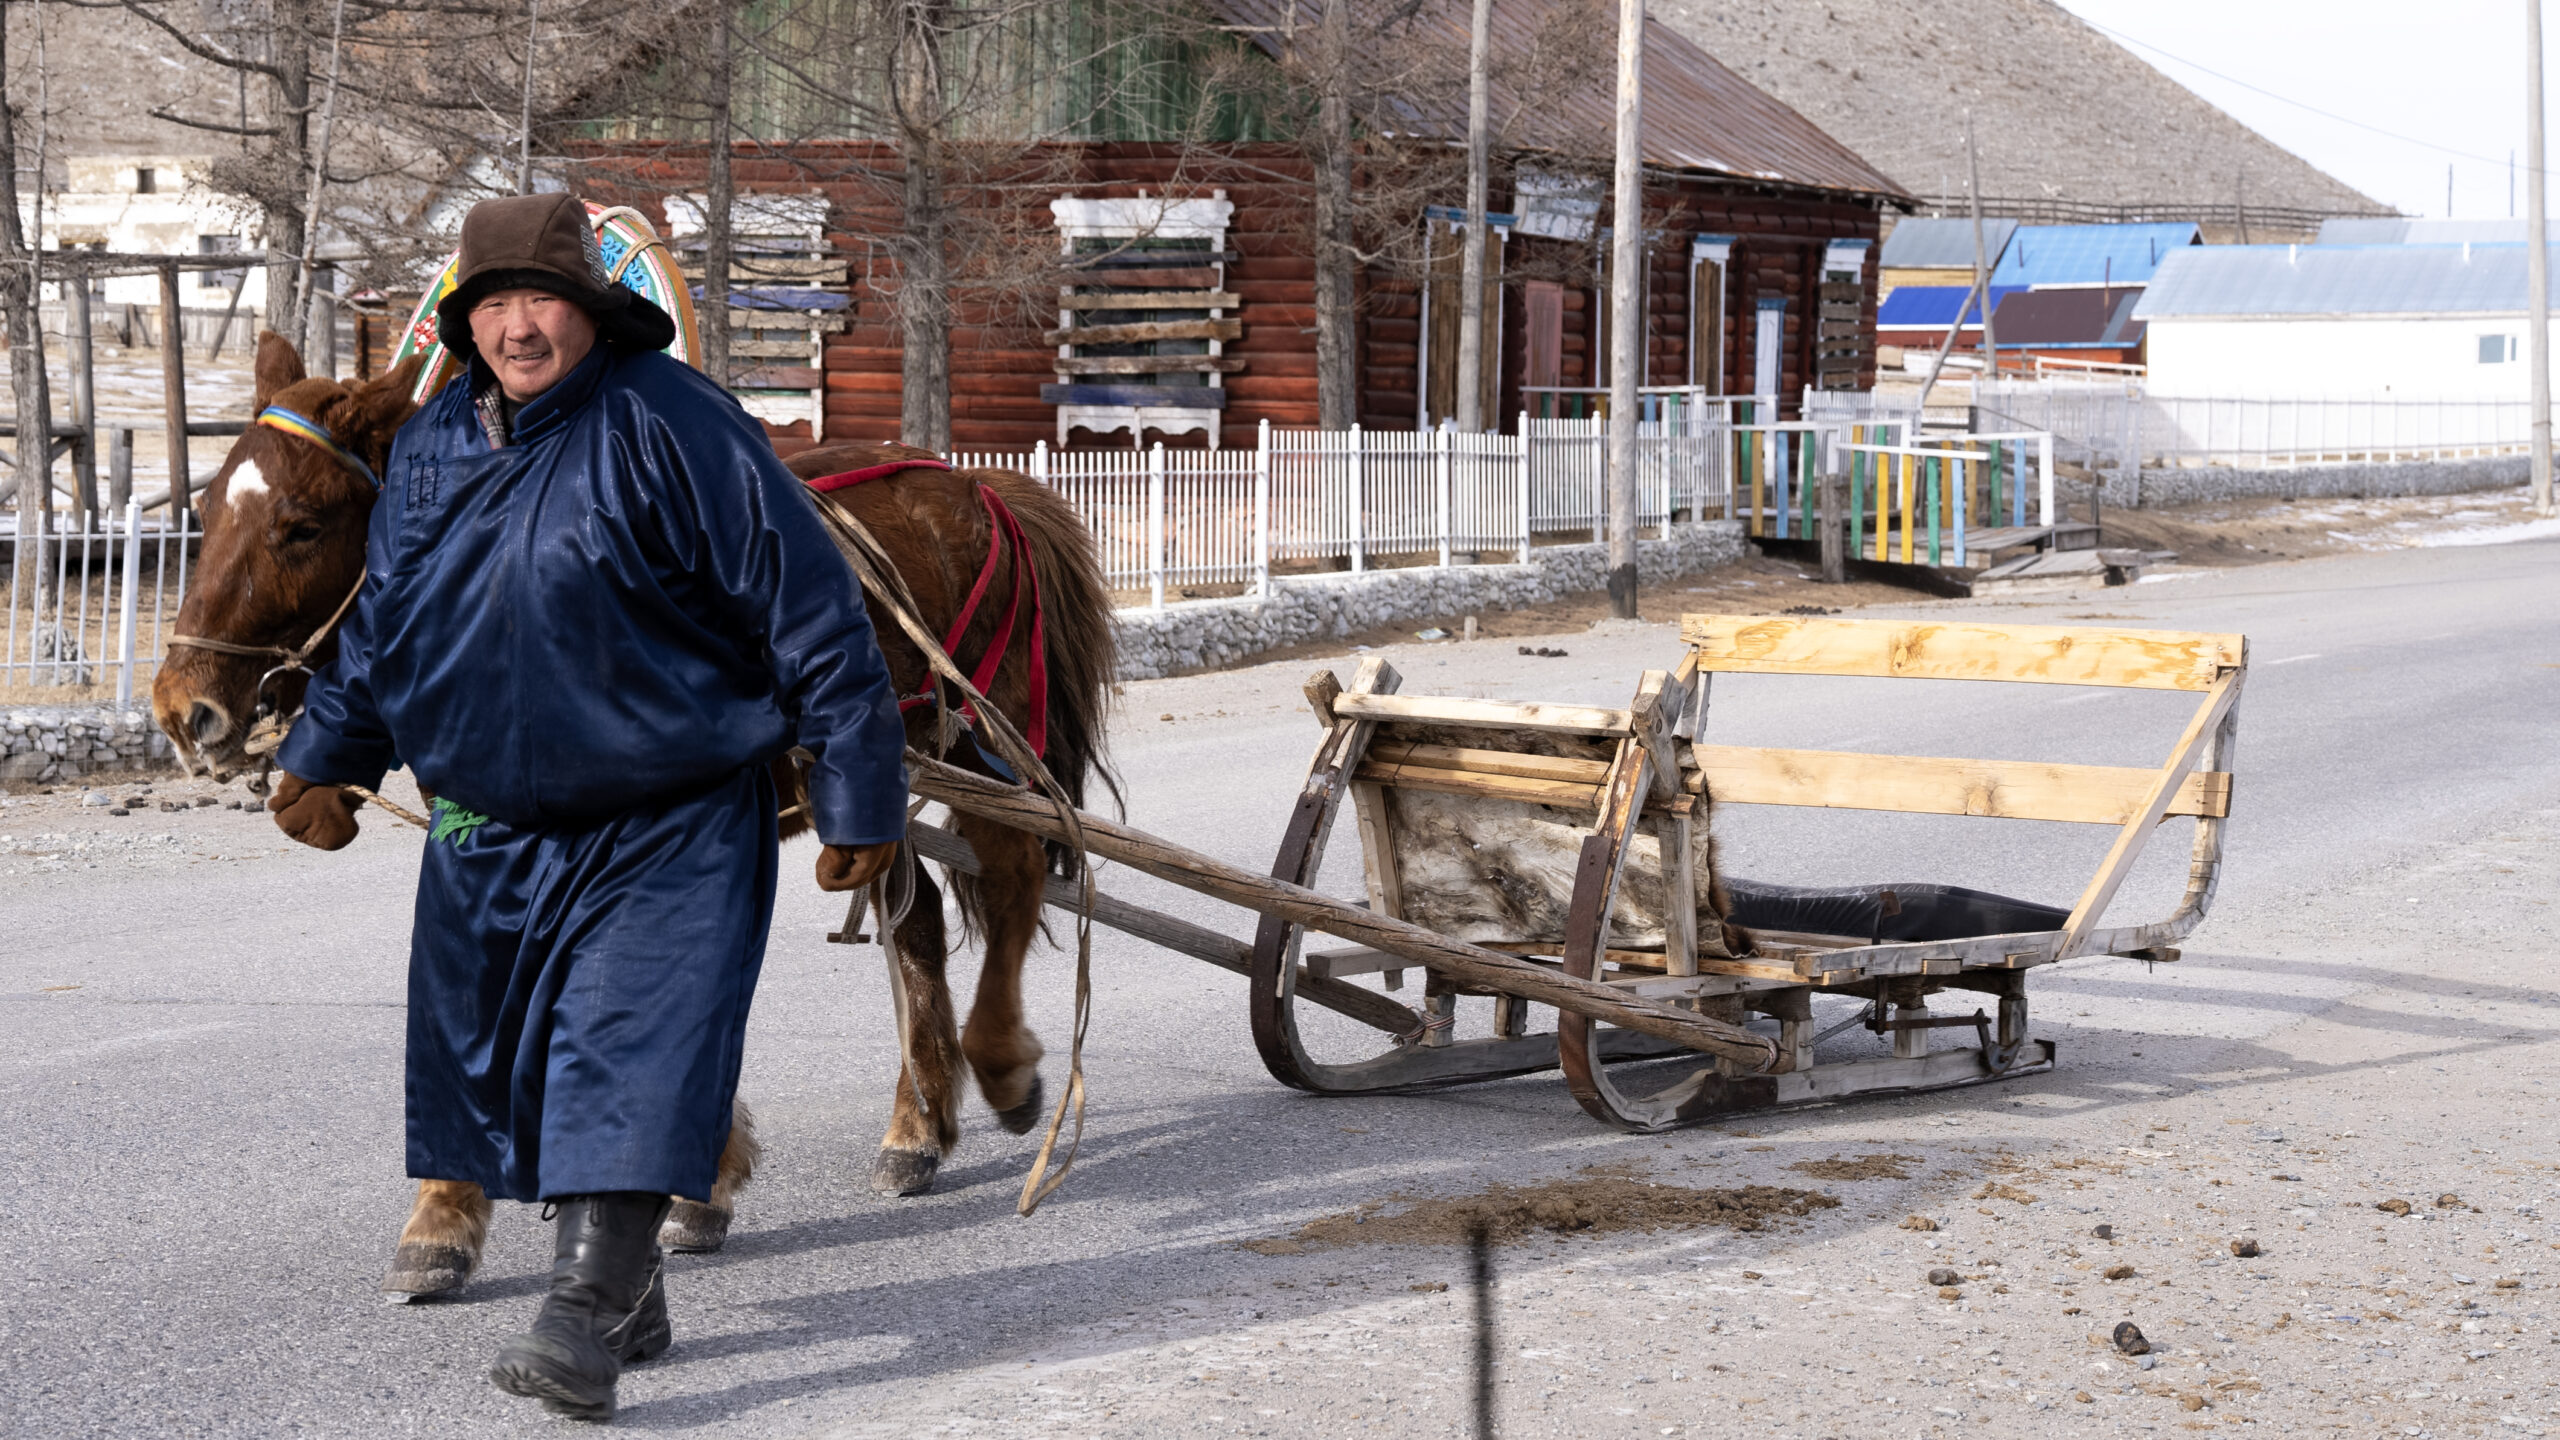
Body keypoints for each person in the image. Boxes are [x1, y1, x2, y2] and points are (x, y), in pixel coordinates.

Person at [266, 192, 908, 1422]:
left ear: (590, 312)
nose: (518, 324)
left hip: (664, 812)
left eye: (540, 299)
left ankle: (579, 1319)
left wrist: (855, 787)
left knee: (626, 1045)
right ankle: (626, 1285)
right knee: (512, 1063)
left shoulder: (675, 423)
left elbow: (811, 614)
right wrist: (331, 750)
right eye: (493, 302)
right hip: (485, 822)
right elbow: (391, 619)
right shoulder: (440, 438)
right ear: (463, 323)